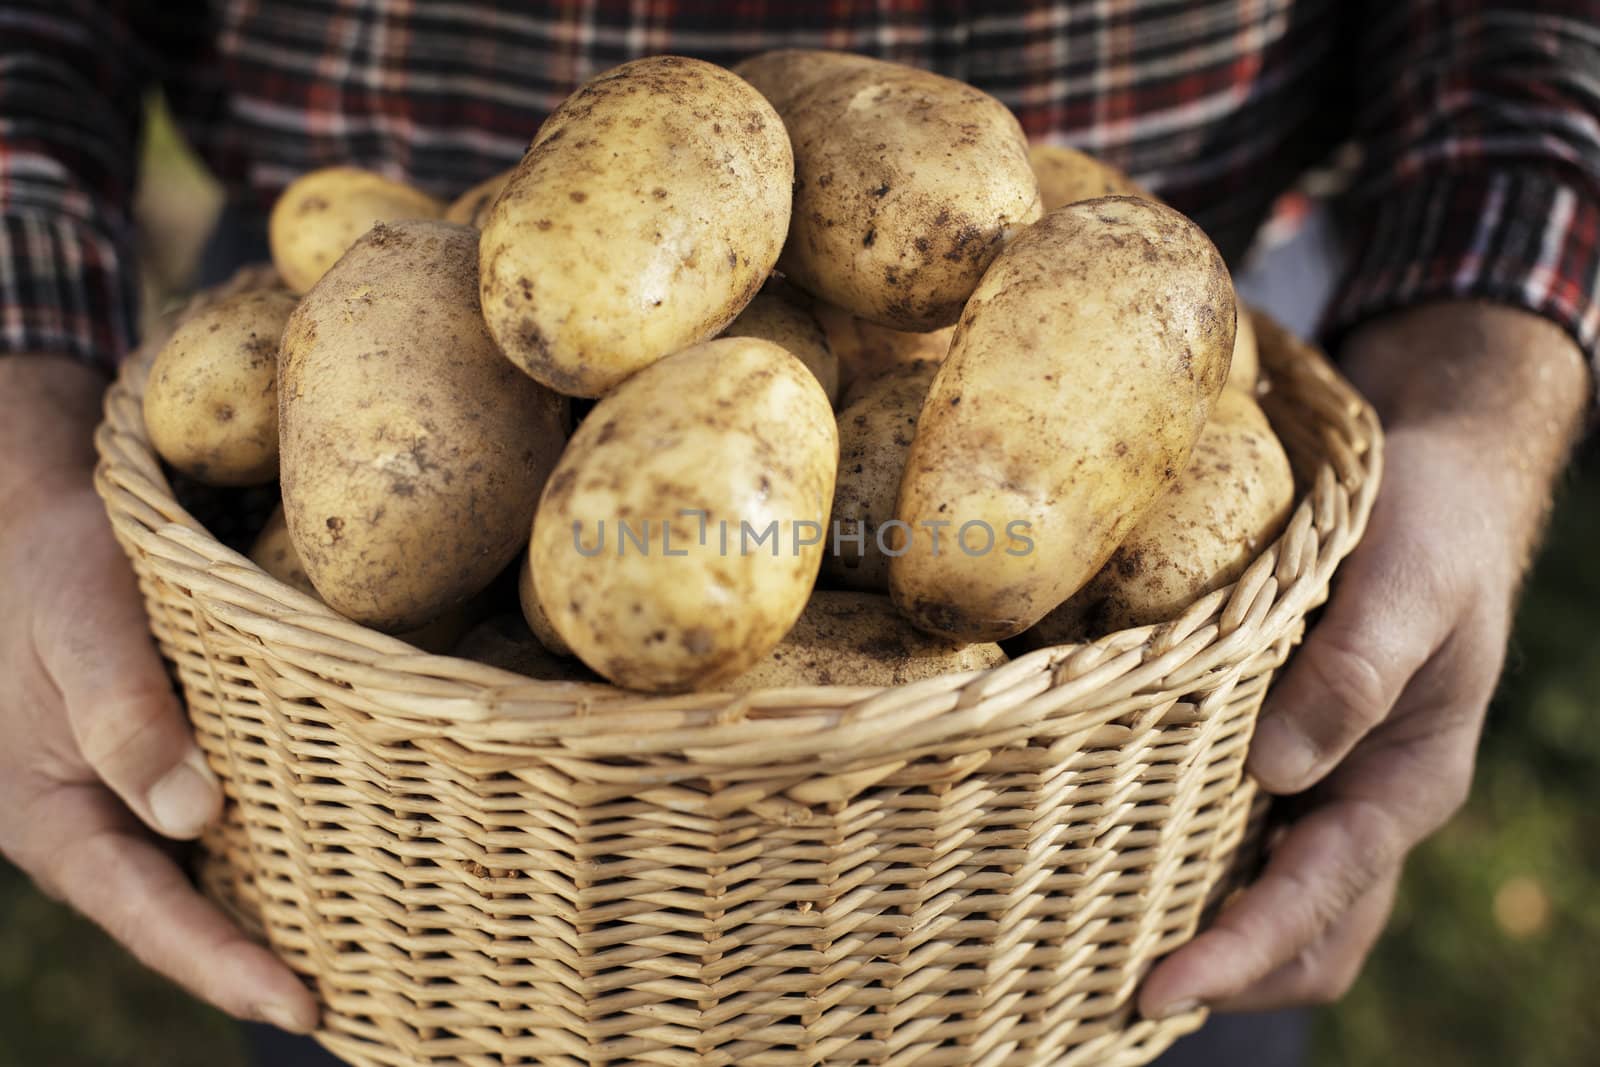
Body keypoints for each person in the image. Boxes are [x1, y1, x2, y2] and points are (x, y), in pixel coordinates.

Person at [1, 2, 1595, 1065]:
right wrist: (18, 466)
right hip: (404, 761)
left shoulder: (937, 329)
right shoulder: (506, 315)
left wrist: (1468, 412)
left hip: (1131, 742)